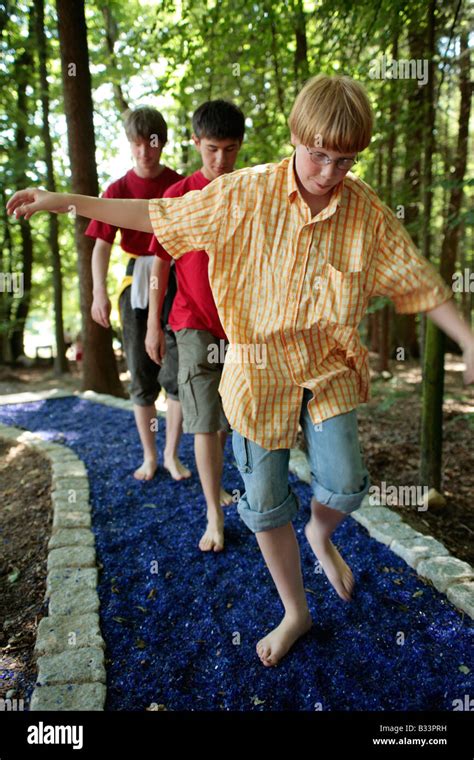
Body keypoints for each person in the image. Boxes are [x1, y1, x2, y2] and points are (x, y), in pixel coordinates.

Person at [7, 74, 474, 669]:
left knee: (347, 483)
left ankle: (321, 535)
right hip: (255, 372)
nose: (330, 172)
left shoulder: (367, 214)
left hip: (326, 369)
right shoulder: (242, 193)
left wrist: (467, 340)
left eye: (346, 159)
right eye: (319, 154)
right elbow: (153, 215)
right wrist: (61, 200)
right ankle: (295, 611)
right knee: (263, 500)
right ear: (295, 137)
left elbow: (418, 279)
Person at [146, 100, 245, 553]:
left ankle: (220, 485)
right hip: (191, 322)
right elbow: (159, 267)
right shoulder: (176, 197)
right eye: (211, 150)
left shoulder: (250, 193)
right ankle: (213, 511)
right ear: (195, 144)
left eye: (229, 149)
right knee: (203, 417)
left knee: (226, 418)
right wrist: (153, 325)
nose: (220, 161)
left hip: (241, 324)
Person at [86, 106, 190, 482]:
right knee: (141, 372)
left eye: (153, 141)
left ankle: (172, 455)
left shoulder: (181, 186)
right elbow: (101, 246)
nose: (145, 150)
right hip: (136, 284)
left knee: (177, 373)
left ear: (162, 143)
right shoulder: (117, 191)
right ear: (129, 145)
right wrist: (99, 293)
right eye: (137, 142)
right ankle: (149, 456)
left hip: (179, 282)